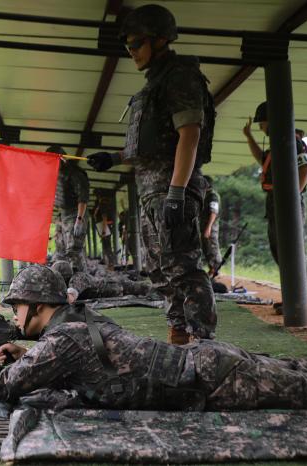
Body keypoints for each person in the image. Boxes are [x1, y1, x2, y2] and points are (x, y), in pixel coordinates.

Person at [0, 265, 307, 411]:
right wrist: (27, 351)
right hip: (210, 363)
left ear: (38, 305)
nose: (13, 314)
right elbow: (83, 358)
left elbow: (4, 386)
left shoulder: (64, 341)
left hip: (211, 380)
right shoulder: (74, 324)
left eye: (17, 306)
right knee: (306, 371)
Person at [86, 4, 216, 344]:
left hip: (171, 192)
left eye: (137, 44)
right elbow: (149, 148)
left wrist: (177, 191)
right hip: (151, 194)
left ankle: (205, 348)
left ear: (160, 40)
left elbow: (190, 133)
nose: (131, 53)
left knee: (184, 272)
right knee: (161, 274)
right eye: (127, 47)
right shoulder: (154, 85)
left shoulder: (179, 76)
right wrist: (113, 158)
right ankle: (178, 342)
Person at [243, 102, 307, 314]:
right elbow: (261, 159)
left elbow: (305, 169)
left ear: (269, 120)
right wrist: (248, 137)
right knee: (280, 251)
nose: (260, 127)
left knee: (292, 250)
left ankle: (300, 299)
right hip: (275, 202)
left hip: (287, 202)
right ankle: (292, 296)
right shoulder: (277, 147)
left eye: (261, 123)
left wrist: (291, 199)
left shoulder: (293, 141)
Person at [49, 145, 90, 273]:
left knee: (74, 251)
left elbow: (83, 198)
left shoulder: (75, 173)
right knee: (60, 250)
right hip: (63, 214)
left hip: (75, 213)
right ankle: (64, 283)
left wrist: (79, 219)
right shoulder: (55, 172)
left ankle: (81, 284)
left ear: (61, 159)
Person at [200, 175, 222, 276]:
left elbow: (214, 212)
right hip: (204, 225)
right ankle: (211, 269)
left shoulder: (212, 196)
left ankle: (215, 269)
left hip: (211, 227)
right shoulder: (205, 195)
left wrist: (208, 228)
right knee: (206, 248)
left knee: (212, 247)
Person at [92, 188, 118, 267]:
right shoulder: (102, 204)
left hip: (105, 226)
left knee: (107, 245)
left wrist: (103, 230)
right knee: (106, 245)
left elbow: (104, 218)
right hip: (104, 226)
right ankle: (109, 262)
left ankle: (111, 263)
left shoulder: (103, 204)